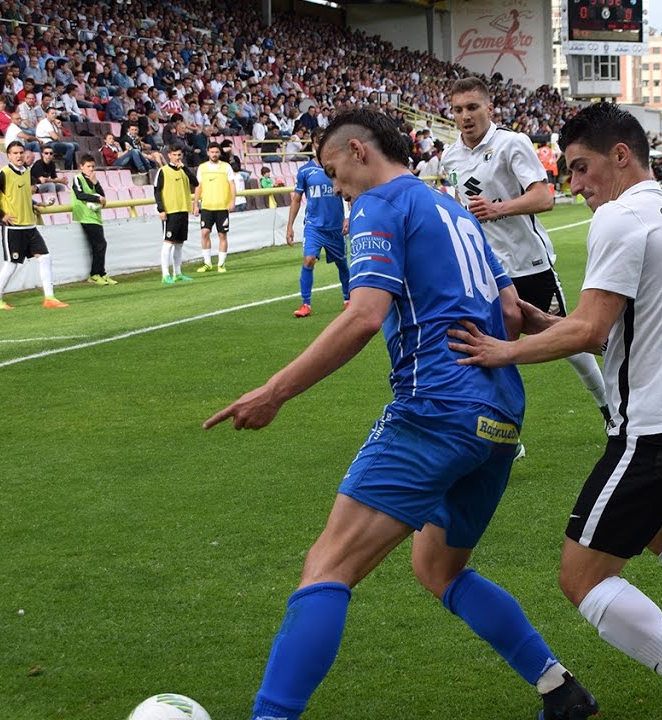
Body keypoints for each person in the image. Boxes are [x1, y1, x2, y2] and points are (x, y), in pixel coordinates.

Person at [203, 108, 599, 720]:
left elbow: (363, 314)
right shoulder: (455, 211)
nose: (334, 190)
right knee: (437, 567)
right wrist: (579, 332)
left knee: (327, 565)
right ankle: (559, 691)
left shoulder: (379, 205)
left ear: (359, 152)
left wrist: (274, 392)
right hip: (499, 419)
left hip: (435, 408)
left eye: (334, 174)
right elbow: (515, 314)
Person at [447, 103, 662, 720]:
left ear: (620, 155)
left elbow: (591, 333)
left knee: (581, 579)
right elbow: (609, 328)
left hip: (656, 425)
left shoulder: (620, 217)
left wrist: (505, 350)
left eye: (579, 168)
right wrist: (543, 322)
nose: (574, 186)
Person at [441, 77, 611, 433]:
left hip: (528, 263)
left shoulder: (511, 144)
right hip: (486, 270)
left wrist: (498, 208)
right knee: (489, 350)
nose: (465, 116)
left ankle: (610, 407)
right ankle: (501, 432)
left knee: (571, 342)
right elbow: (461, 208)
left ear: (489, 108)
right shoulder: (450, 155)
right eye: (458, 110)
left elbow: (543, 198)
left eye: (472, 107)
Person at [0, 141, 69, 310]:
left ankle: (49, 298)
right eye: (15, 153)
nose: (19, 156)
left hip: (30, 225)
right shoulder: (4, 173)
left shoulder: (26, 172)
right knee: (11, 264)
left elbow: (22, 196)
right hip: (14, 228)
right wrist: (1, 214)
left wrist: (36, 205)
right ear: (8, 156)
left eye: (21, 152)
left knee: (45, 257)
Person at [285, 130, 350, 318]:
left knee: (341, 263)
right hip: (314, 226)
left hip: (336, 227)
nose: (320, 145)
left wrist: (348, 217)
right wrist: (290, 226)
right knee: (309, 259)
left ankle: (348, 299)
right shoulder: (305, 171)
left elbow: (350, 193)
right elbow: (296, 199)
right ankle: (306, 304)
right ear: (313, 144)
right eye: (317, 142)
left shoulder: (339, 168)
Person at [154, 145, 198, 284]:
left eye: (179, 155)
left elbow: (196, 183)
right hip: (170, 211)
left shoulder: (184, 170)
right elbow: (157, 191)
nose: (177, 157)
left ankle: (177, 273)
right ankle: (165, 274)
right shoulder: (163, 171)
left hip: (183, 209)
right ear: (169, 156)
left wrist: (184, 168)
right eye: (175, 155)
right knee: (168, 243)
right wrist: (161, 209)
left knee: (179, 244)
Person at [71, 154, 116, 285]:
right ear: (81, 167)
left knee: (100, 245)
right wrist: (97, 199)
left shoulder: (93, 179)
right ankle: (95, 274)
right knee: (100, 244)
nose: (91, 169)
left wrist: (96, 183)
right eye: (88, 166)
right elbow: (80, 195)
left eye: (92, 166)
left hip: (94, 216)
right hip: (85, 216)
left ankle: (101, 273)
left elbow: (102, 195)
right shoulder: (77, 178)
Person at [193, 144, 236, 273]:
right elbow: (198, 186)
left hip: (222, 206)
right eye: (212, 152)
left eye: (216, 152)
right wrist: (195, 203)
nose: (214, 154)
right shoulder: (202, 168)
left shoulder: (226, 167)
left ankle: (221, 264)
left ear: (219, 153)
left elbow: (232, 185)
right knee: (204, 233)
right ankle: (207, 263)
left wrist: (232, 201)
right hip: (207, 206)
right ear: (208, 153)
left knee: (222, 234)